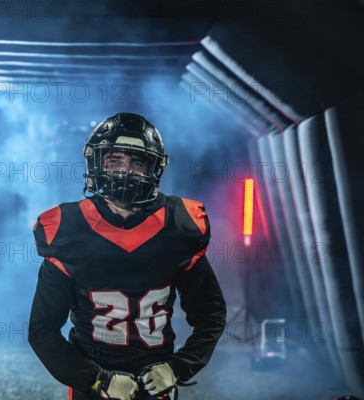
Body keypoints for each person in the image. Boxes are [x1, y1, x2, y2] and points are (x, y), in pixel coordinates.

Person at [28, 113, 227, 400]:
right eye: (115, 161)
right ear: (96, 163)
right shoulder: (68, 229)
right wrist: (97, 379)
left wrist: (177, 368)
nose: (125, 172)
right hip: (94, 386)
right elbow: (42, 329)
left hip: (155, 382)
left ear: (154, 169)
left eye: (138, 162)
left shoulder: (178, 226)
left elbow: (211, 315)